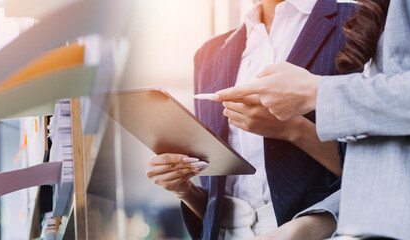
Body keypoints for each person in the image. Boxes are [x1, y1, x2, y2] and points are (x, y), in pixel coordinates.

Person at [215, 0, 410, 238]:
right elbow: (386, 147)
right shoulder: (213, 53)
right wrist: (315, 222)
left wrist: (317, 93)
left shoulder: (350, 20)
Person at [145, 0, 358, 239]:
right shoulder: (209, 54)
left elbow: (382, 166)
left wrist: (292, 128)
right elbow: (217, 202)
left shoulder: (357, 23)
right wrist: (184, 190)